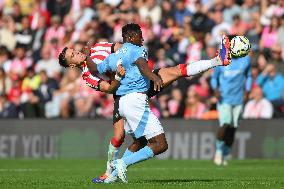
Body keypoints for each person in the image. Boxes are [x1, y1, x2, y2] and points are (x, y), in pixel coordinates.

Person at [58, 23, 232, 183]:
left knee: (177, 70)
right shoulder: (87, 75)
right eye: (72, 56)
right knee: (124, 137)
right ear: (72, 65)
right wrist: (118, 75)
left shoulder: (98, 47)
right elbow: (109, 88)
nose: (76, 53)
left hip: (140, 81)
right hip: (122, 93)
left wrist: (127, 57)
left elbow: (120, 48)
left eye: (74, 50)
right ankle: (109, 172)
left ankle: (217, 60)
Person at [210, 54, 252, 166]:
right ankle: (218, 151)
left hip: (238, 99)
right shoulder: (222, 59)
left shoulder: (246, 60)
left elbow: (249, 76)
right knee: (225, 123)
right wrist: (215, 89)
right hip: (224, 98)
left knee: (233, 127)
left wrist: (247, 91)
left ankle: (225, 151)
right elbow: (214, 77)